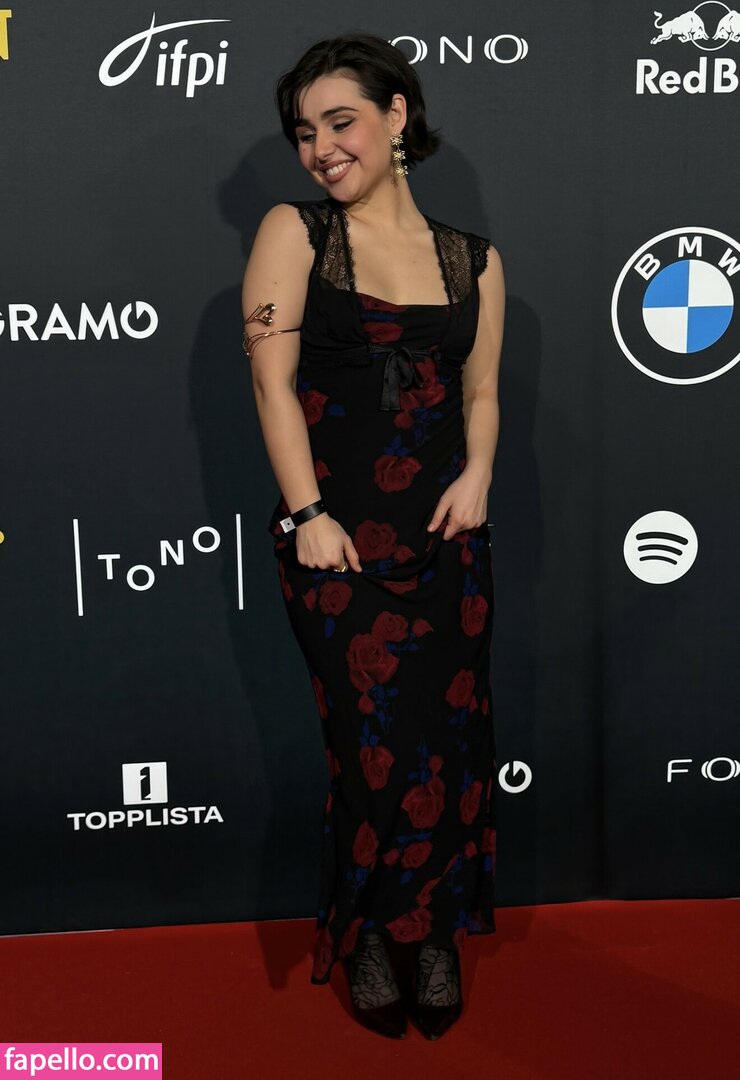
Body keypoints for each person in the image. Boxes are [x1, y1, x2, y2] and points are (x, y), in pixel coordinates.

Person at [241, 31, 505, 1041]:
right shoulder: (295, 232)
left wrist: (478, 473)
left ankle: (430, 936)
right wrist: (308, 515)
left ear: (397, 116)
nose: (320, 148)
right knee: (370, 747)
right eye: (304, 132)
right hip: (337, 546)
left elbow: (480, 392)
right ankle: (366, 934)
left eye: (340, 122)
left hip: (448, 544)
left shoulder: (475, 260)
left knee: (447, 742)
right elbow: (270, 384)